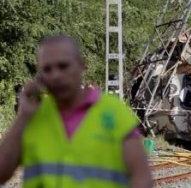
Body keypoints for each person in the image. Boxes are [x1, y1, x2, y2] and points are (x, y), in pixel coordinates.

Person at [0, 35, 152, 187]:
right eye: (47, 69)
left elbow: (142, 178)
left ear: (82, 66)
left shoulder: (114, 112)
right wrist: (22, 118)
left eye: (63, 66)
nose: (56, 75)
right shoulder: (32, 117)